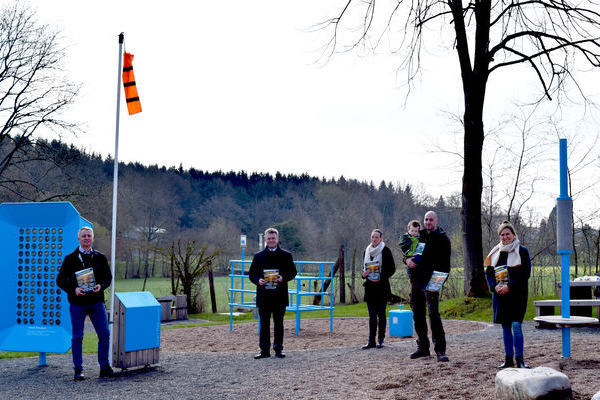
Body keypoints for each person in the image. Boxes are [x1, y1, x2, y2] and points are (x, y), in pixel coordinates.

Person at [56, 226, 114, 380]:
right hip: (77, 303)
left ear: (93, 238)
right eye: (84, 236)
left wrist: (100, 286)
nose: (86, 238)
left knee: (104, 334)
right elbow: (60, 280)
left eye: (89, 235)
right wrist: (73, 289)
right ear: (79, 239)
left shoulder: (100, 257)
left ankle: (104, 366)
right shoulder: (70, 258)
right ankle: (78, 369)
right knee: (77, 336)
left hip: (96, 302)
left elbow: (108, 277)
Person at [484, 220, 532, 369]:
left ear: (513, 234)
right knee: (505, 327)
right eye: (502, 235)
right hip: (500, 295)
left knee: (516, 326)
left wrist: (509, 286)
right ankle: (508, 359)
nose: (505, 237)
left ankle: (520, 360)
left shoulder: (522, 251)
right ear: (500, 236)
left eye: (508, 234)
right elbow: (489, 273)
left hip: (517, 295)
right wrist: (494, 287)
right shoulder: (495, 252)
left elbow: (525, 274)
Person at [405, 211, 451, 362]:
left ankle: (440, 350)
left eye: (431, 219)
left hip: (432, 281)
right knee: (418, 314)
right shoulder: (419, 235)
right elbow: (406, 251)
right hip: (416, 280)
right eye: (426, 219)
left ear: (436, 221)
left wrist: (437, 283)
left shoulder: (443, 239)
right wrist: (406, 260)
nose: (428, 222)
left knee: (433, 315)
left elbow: (446, 265)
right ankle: (423, 348)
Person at [249, 228, 297, 359]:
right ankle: (264, 350)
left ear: (277, 239)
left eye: (273, 238)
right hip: (264, 296)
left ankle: (278, 349)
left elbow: (293, 272)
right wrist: (258, 280)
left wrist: (283, 277)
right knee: (264, 324)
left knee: (279, 324)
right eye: (269, 238)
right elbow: (251, 274)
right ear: (265, 240)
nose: (271, 240)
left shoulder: (286, 255)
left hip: (279, 296)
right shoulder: (258, 256)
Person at [361, 229, 396, 349]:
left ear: (381, 239)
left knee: (381, 315)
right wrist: (363, 275)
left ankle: (381, 339)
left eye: (376, 237)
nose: (374, 239)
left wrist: (381, 275)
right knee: (371, 316)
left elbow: (392, 269)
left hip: (382, 287)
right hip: (370, 287)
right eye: (372, 237)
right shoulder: (366, 250)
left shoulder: (385, 250)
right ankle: (371, 341)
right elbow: (363, 269)